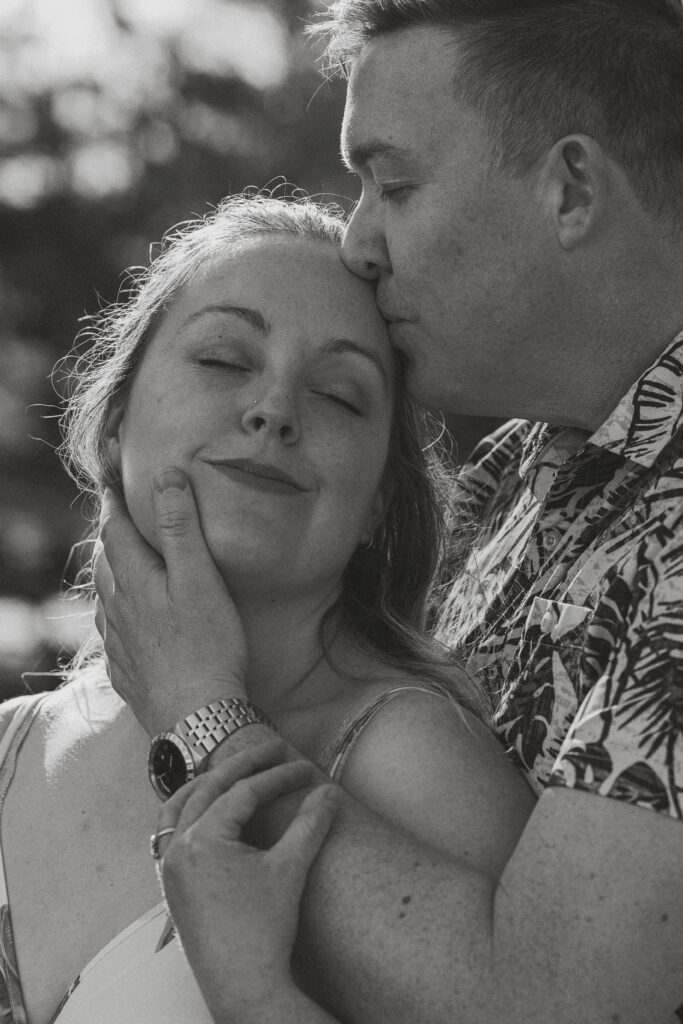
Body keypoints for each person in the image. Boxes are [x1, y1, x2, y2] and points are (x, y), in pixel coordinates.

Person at [96, 1, 683, 1023]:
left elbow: (547, 1003)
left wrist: (202, 716)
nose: (358, 244)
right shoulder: (515, 477)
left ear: (570, 187)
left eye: (394, 185)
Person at [0, 194, 534, 1024]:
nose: (274, 409)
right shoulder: (10, 744)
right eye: (222, 359)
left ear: (378, 508)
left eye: (341, 395)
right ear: (112, 426)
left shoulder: (411, 761)